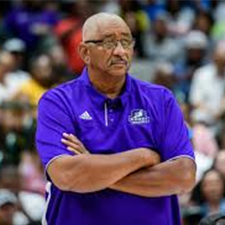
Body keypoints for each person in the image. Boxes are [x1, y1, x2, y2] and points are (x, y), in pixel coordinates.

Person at [36, 12, 196, 225]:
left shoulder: (161, 100)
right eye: (109, 43)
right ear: (85, 52)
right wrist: (143, 157)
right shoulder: (58, 101)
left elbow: (183, 177)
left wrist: (93, 165)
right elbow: (67, 176)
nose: (121, 51)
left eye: (126, 42)